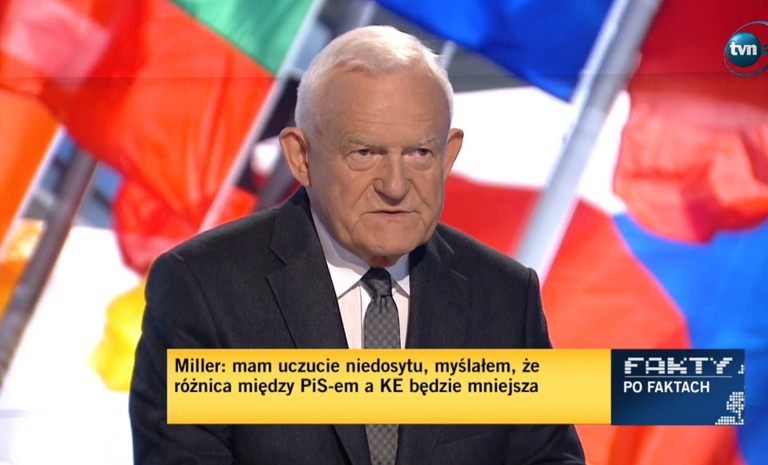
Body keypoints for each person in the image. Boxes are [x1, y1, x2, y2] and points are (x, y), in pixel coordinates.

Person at [129, 25, 585, 465]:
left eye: (419, 153)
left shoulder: (505, 297)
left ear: (448, 156)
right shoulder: (204, 288)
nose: (395, 185)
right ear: (301, 157)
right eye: (364, 153)